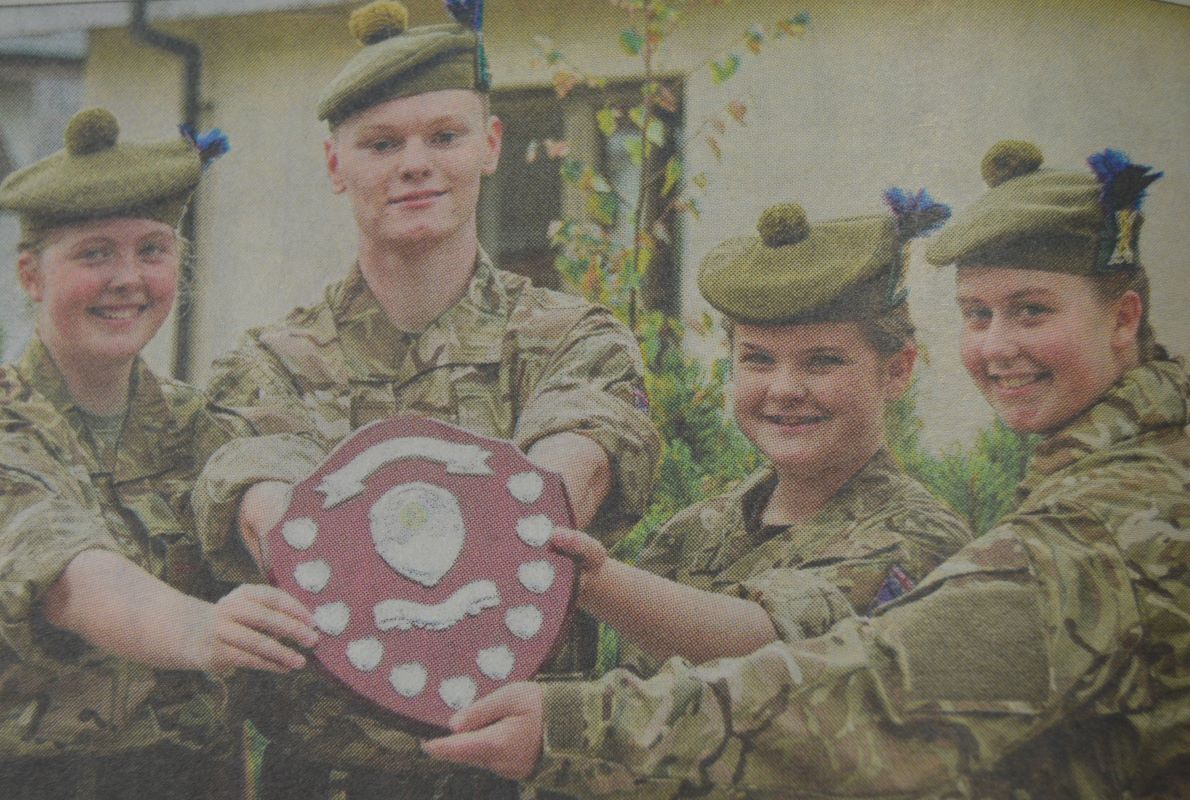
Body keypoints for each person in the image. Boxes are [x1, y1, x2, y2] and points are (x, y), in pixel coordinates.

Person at [423, 140, 1190, 798]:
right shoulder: (704, 532)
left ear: (1123, 317)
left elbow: (869, 688)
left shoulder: (1115, 514)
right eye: (978, 314)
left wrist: (578, 668)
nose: (998, 346)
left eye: (1032, 311)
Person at [188, 2, 659, 798]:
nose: (414, 164)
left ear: (491, 145)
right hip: (324, 778)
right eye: (381, 144)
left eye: (443, 136)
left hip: (518, 776)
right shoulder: (268, 366)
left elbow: (563, 492)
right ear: (335, 165)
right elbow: (273, 523)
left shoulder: (575, 341)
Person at [0, 108, 318, 800]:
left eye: (152, 250)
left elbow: (273, 489)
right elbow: (68, 577)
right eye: (94, 253)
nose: (128, 279)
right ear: (31, 275)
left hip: (195, 780)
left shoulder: (197, 425)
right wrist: (203, 630)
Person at [546, 190, 972, 673]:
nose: (785, 388)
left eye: (823, 361)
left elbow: (769, 652)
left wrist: (593, 580)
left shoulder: (921, 538)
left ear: (896, 371)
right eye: (758, 359)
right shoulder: (693, 533)